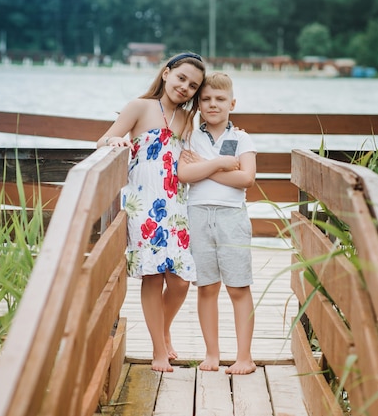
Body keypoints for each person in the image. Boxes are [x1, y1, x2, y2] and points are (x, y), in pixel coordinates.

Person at [96, 52, 205, 372]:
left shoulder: (187, 120)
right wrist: (113, 144)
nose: (185, 87)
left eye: (193, 85)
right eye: (181, 78)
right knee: (154, 276)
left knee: (182, 281)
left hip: (176, 205)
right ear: (167, 73)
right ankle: (159, 350)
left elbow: (188, 161)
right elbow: (104, 139)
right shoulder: (140, 107)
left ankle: (163, 328)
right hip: (144, 205)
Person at [178, 72, 257, 375]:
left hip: (231, 217)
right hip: (197, 215)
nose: (213, 104)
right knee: (207, 288)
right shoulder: (190, 136)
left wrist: (202, 167)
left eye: (220, 99)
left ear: (232, 103)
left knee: (238, 288)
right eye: (206, 99)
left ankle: (244, 357)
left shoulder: (241, 138)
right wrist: (221, 165)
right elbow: (185, 175)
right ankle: (212, 354)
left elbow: (246, 179)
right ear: (198, 104)